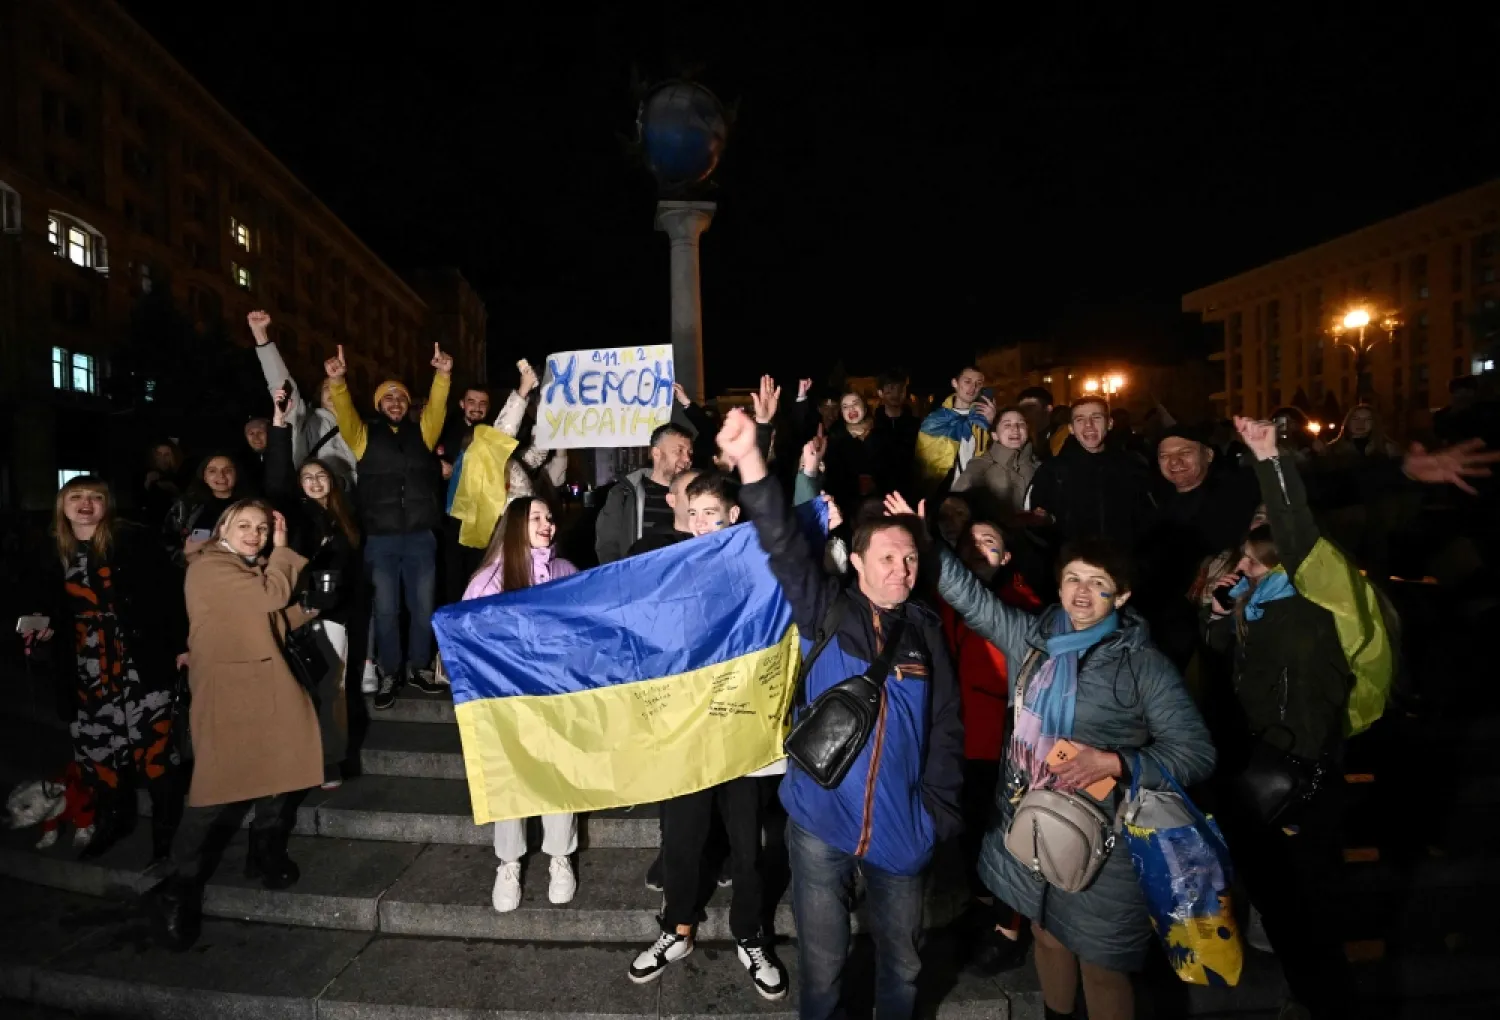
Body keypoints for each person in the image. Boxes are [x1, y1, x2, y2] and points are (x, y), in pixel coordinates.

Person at [917, 503, 1216, 1020]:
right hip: (1030, 818)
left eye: (1098, 583)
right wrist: (926, 541)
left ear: (1121, 596)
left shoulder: (1142, 664)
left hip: (1104, 841)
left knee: (1101, 965)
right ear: (1058, 585)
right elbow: (972, 599)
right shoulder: (1034, 639)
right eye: (1073, 578)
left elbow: (1195, 752)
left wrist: (1115, 762)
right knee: (1045, 934)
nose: (1081, 592)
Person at [720, 407, 965, 1020]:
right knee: (823, 966)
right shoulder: (826, 610)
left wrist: (936, 815)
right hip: (819, 823)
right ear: (856, 561)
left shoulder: (926, 631)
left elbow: (946, 726)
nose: (900, 570)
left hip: (902, 830)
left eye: (910, 560)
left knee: (902, 967)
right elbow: (782, 542)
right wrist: (751, 460)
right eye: (887, 558)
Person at [1202, 416, 1364, 1020]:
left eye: (1251, 561)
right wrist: (1220, 618)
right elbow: (1219, 668)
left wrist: (1271, 462)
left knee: (1310, 907)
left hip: (1304, 774)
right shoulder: (1256, 608)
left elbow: (1298, 532)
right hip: (1261, 771)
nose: (1240, 568)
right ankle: (1305, 991)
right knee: (1280, 900)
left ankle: (1324, 1001)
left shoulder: (1314, 605)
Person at [628, 470, 790, 999]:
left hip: (740, 731)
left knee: (747, 844)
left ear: (733, 517)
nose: (700, 525)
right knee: (682, 838)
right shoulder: (668, 567)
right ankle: (676, 929)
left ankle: (751, 934)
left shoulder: (757, 566)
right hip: (686, 732)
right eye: (693, 514)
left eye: (711, 515)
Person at [146, 500, 323, 951]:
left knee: (282, 771)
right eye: (243, 525)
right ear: (222, 528)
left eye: (262, 528)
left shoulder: (250, 569)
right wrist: (283, 550)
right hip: (228, 693)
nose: (254, 534)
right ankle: (177, 886)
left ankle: (264, 851)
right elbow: (268, 598)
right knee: (214, 791)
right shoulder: (209, 567)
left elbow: (270, 621)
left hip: (268, 684)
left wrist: (310, 609)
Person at [22, 476, 188, 862]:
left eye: (95, 497)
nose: (86, 504)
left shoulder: (135, 540)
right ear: (62, 505)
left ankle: (166, 834)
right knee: (99, 753)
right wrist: (40, 628)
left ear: (107, 504)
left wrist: (182, 646)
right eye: (76, 496)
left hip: (139, 661)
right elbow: (39, 604)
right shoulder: (48, 549)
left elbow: (169, 595)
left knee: (155, 751)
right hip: (84, 668)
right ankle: (115, 820)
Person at [462, 497, 580, 912]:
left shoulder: (566, 571)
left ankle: (560, 857)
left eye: (550, 517)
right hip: (506, 702)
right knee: (511, 781)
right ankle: (508, 863)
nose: (547, 524)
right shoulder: (488, 579)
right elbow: (469, 641)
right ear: (515, 525)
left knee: (557, 779)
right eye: (536, 518)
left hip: (557, 698)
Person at [938, 518, 1040, 976]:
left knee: (1003, 835)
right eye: (970, 541)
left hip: (1000, 741)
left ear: (1007, 556)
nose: (979, 548)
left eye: (990, 541)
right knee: (968, 832)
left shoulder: (1022, 604)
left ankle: (1008, 929)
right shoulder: (942, 600)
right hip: (957, 737)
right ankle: (983, 910)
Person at [325, 342, 453, 709]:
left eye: (401, 398)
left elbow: (438, 407)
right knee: (385, 610)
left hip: (420, 536)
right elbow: (345, 413)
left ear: (408, 405)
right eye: (388, 397)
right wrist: (338, 383)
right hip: (380, 539)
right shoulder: (362, 436)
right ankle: (389, 671)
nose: (395, 402)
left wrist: (443, 376)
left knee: (423, 608)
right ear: (379, 404)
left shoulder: (423, 433)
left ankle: (418, 667)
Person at [266, 393, 361, 790]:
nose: (316, 481)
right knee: (296, 688)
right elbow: (275, 479)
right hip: (297, 610)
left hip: (334, 615)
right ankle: (295, 759)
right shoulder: (296, 514)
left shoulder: (346, 517)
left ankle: (330, 760)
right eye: (307, 477)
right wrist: (278, 426)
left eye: (321, 476)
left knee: (332, 688)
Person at [1026, 397, 1155, 552]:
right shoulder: (1051, 471)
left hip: (1122, 561)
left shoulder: (1132, 467)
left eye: (1096, 417)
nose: (1089, 425)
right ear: (1071, 428)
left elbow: (1149, 519)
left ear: (1110, 423)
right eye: (1080, 419)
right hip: (1072, 561)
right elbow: (1035, 523)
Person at [250, 310, 358, 488]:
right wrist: (261, 337)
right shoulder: (305, 420)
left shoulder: (360, 428)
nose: (332, 393)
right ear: (319, 394)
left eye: (337, 388)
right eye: (327, 388)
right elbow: (282, 384)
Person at [594, 422, 695, 564]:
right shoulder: (624, 493)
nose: (687, 459)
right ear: (656, 453)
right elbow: (608, 546)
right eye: (679, 451)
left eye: (689, 453)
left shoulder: (698, 493)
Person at [916, 365, 996, 491]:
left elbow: (992, 455)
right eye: (967, 382)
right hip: (941, 490)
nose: (973, 388)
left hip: (974, 490)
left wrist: (993, 424)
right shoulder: (935, 420)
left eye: (978, 383)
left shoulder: (983, 419)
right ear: (955, 383)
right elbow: (923, 462)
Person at [952, 406, 1039, 519]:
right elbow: (954, 506)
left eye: (1021, 424)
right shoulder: (980, 466)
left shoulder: (1038, 466)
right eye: (1007, 425)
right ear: (994, 435)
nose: (1015, 429)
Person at [164, 453, 245, 568]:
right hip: (194, 568)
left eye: (227, 470)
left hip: (236, 570)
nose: (221, 476)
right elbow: (168, 538)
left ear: (236, 474)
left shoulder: (250, 506)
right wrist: (185, 557)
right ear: (204, 476)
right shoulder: (187, 504)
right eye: (212, 471)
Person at [822, 389, 890, 518]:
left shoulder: (882, 434)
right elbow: (833, 478)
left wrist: (875, 483)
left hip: (882, 505)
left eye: (855, 403)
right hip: (848, 508)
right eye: (845, 406)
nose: (851, 409)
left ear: (865, 407)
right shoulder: (835, 438)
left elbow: (894, 469)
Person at [871, 370, 920, 498]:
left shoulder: (916, 425)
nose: (896, 394)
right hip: (879, 494)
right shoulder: (871, 426)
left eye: (900, 389)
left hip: (910, 493)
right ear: (880, 392)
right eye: (891, 389)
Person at [138, 441, 184, 528]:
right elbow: (141, 500)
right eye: (159, 455)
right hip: (151, 523)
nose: (162, 458)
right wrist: (148, 482)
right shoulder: (146, 474)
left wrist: (173, 489)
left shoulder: (180, 475)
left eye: (167, 455)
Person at [1018, 386, 1070, 459]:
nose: (1025, 413)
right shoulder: (1023, 437)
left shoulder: (1063, 436)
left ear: (1048, 409)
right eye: (1021, 409)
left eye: (1030, 408)